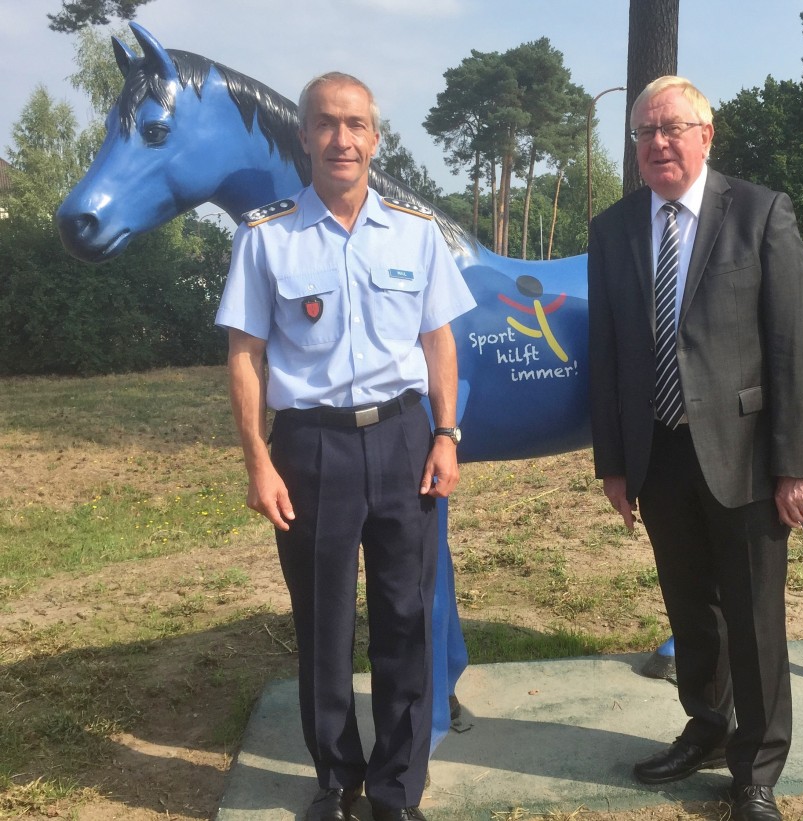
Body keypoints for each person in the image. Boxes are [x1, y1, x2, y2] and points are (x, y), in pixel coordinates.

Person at [215, 72, 475, 821]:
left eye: (356, 124)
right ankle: (335, 781)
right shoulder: (266, 237)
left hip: (403, 439)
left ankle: (396, 790)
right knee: (324, 624)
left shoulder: (416, 231)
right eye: (326, 124)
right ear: (304, 137)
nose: (342, 139)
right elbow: (244, 355)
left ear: (376, 138)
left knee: (404, 618)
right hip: (311, 447)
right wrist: (257, 460)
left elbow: (439, 341)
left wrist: (447, 435)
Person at [587, 76, 803, 821]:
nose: (657, 142)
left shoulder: (759, 212)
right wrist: (614, 462)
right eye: (644, 132)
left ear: (705, 135)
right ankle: (707, 724)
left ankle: (756, 771)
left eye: (671, 128)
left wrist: (797, 464)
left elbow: (793, 348)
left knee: (754, 617)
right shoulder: (614, 228)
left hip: (748, 455)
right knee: (691, 607)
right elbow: (610, 352)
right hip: (659, 454)